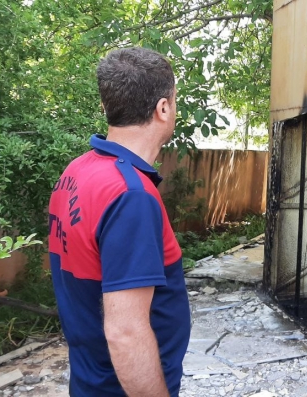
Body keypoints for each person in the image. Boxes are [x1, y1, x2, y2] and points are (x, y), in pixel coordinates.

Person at [48, 47, 190, 396]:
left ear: (105, 106)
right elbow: (125, 332)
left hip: (89, 381)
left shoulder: (77, 171)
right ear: (163, 108)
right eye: (174, 100)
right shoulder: (131, 196)